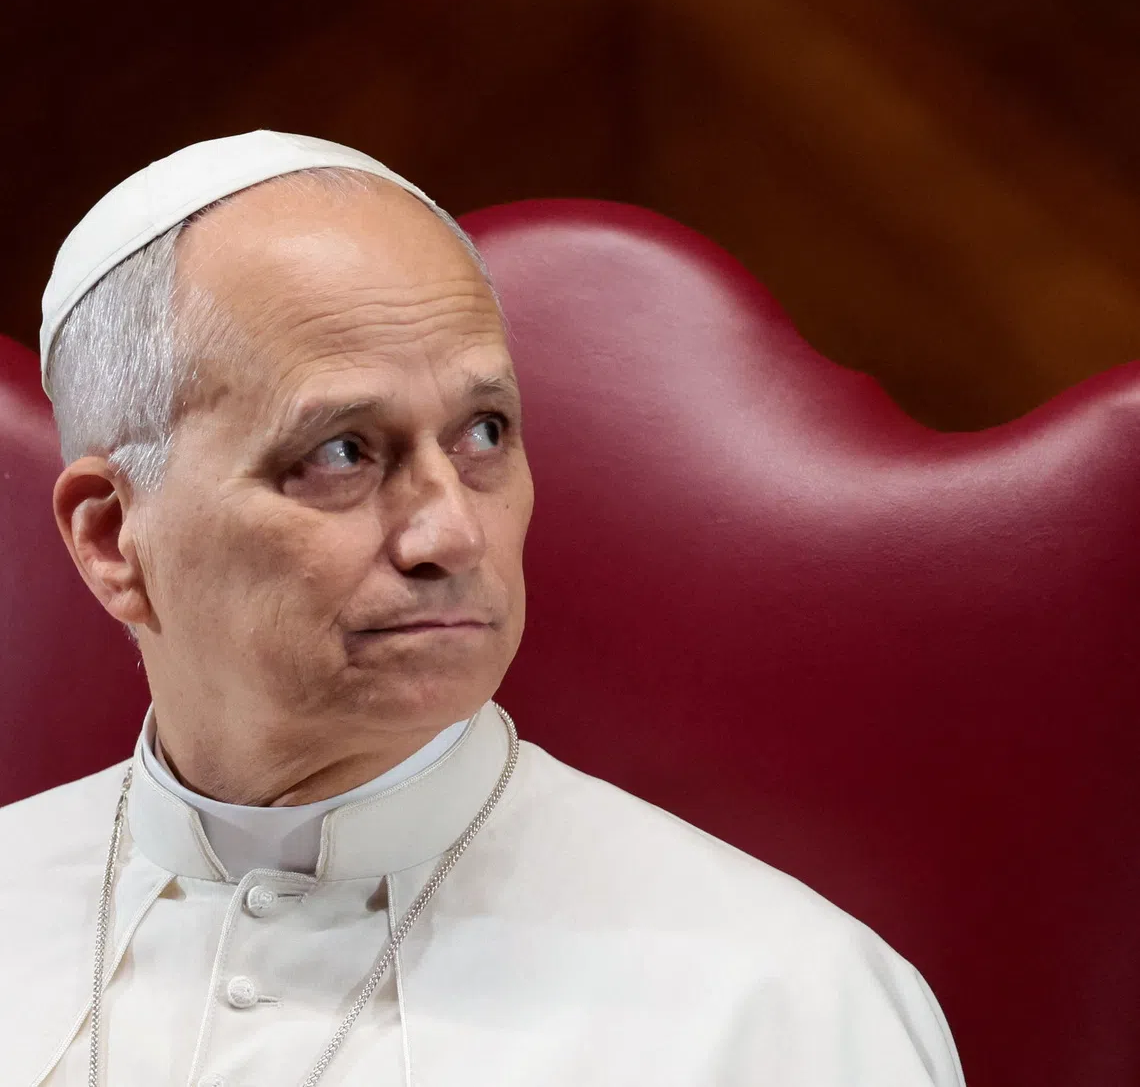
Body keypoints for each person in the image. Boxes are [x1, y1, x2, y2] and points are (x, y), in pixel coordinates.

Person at [0, 131, 965, 1087]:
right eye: (341, 451)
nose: (451, 536)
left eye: (483, 433)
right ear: (111, 537)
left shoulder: (785, 1008)